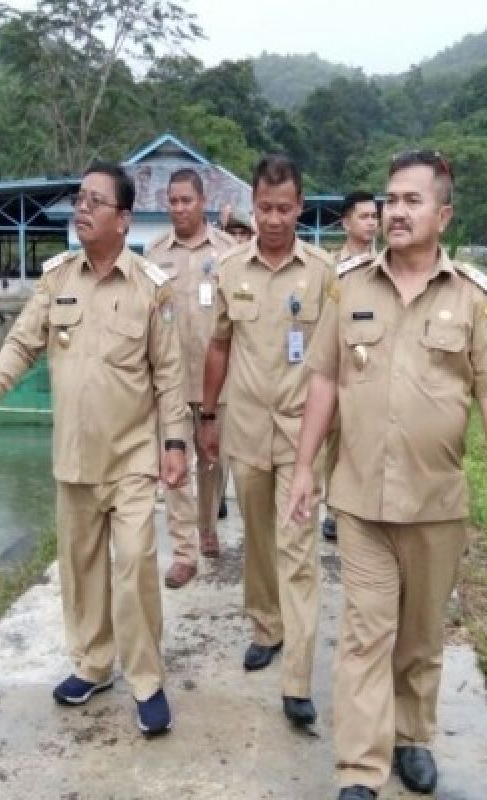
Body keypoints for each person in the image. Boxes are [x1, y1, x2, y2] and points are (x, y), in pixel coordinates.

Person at [286, 150, 487, 800]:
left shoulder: (474, 299)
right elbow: (326, 378)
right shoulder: (350, 285)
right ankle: (360, 768)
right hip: (360, 501)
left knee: (419, 638)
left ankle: (412, 738)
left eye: (412, 200)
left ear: (442, 214)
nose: (395, 211)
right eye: (390, 200)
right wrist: (305, 465)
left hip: (436, 504)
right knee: (366, 634)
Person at [0, 162, 190, 735]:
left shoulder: (151, 288)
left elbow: (169, 376)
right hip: (74, 457)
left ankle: (146, 680)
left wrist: (174, 444)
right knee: (81, 568)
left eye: (95, 201)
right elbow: (22, 341)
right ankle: (93, 664)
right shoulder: (57, 279)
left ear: (123, 217)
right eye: (78, 199)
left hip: (133, 458)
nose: (82, 208)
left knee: (136, 564)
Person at [200, 154, 333, 729]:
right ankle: (266, 626)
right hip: (249, 430)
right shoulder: (230, 271)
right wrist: (206, 415)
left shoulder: (325, 273)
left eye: (284, 208)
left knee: (298, 550)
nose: (274, 219)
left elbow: (336, 366)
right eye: (264, 208)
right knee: (258, 539)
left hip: (304, 435)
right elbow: (219, 347)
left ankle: (297, 678)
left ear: (300, 207)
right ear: (251, 208)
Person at [145, 168, 236, 589]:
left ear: (203, 202)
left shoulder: (228, 251)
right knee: (176, 465)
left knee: (213, 460)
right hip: (172, 381)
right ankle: (184, 552)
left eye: (187, 200)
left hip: (217, 378)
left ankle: (206, 527)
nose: (179, 208)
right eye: (173, 201)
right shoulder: (154, 252)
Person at [321, 190, 381, 542]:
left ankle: (363, 508)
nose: (372, 222)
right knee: (334, 440)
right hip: (337, 368)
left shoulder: (386, 265)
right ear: (346, 222)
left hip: (371, 369)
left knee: (366, 440)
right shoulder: (330, 267)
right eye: (364, 216)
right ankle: (333, 508)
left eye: (375, 216)